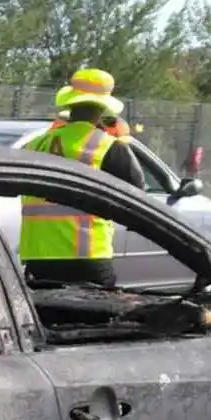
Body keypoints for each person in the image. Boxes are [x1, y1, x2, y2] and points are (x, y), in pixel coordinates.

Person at [19, 67, 146, 286]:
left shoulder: (35, 144)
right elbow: (137, 198)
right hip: (87, 257)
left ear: (70, 103)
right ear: (103, 108)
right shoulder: (106, 146)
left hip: (37, 257)